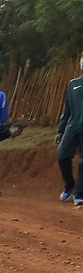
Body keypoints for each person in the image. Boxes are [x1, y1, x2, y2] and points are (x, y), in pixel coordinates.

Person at [55, 54, 83, 204]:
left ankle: (79, 193)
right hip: (73, 126)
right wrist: (60, 130)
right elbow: (67, 110)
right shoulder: (73, 84)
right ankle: (69, 186)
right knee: (61, 154)